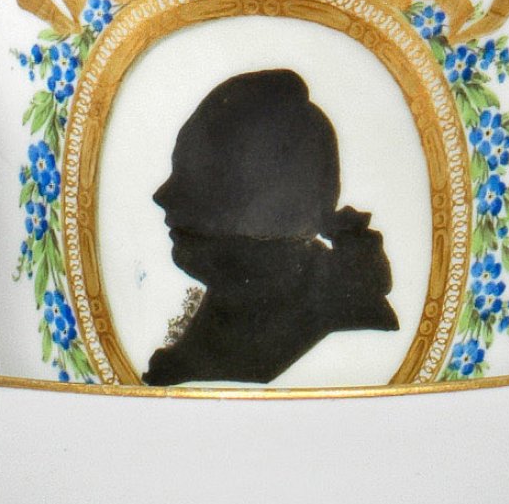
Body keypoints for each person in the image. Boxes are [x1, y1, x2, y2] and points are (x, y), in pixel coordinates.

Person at [145, 69, 398, 385]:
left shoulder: (344, 334)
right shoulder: (236, 313)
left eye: (197, 176)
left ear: (275, 205)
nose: (162, 196)